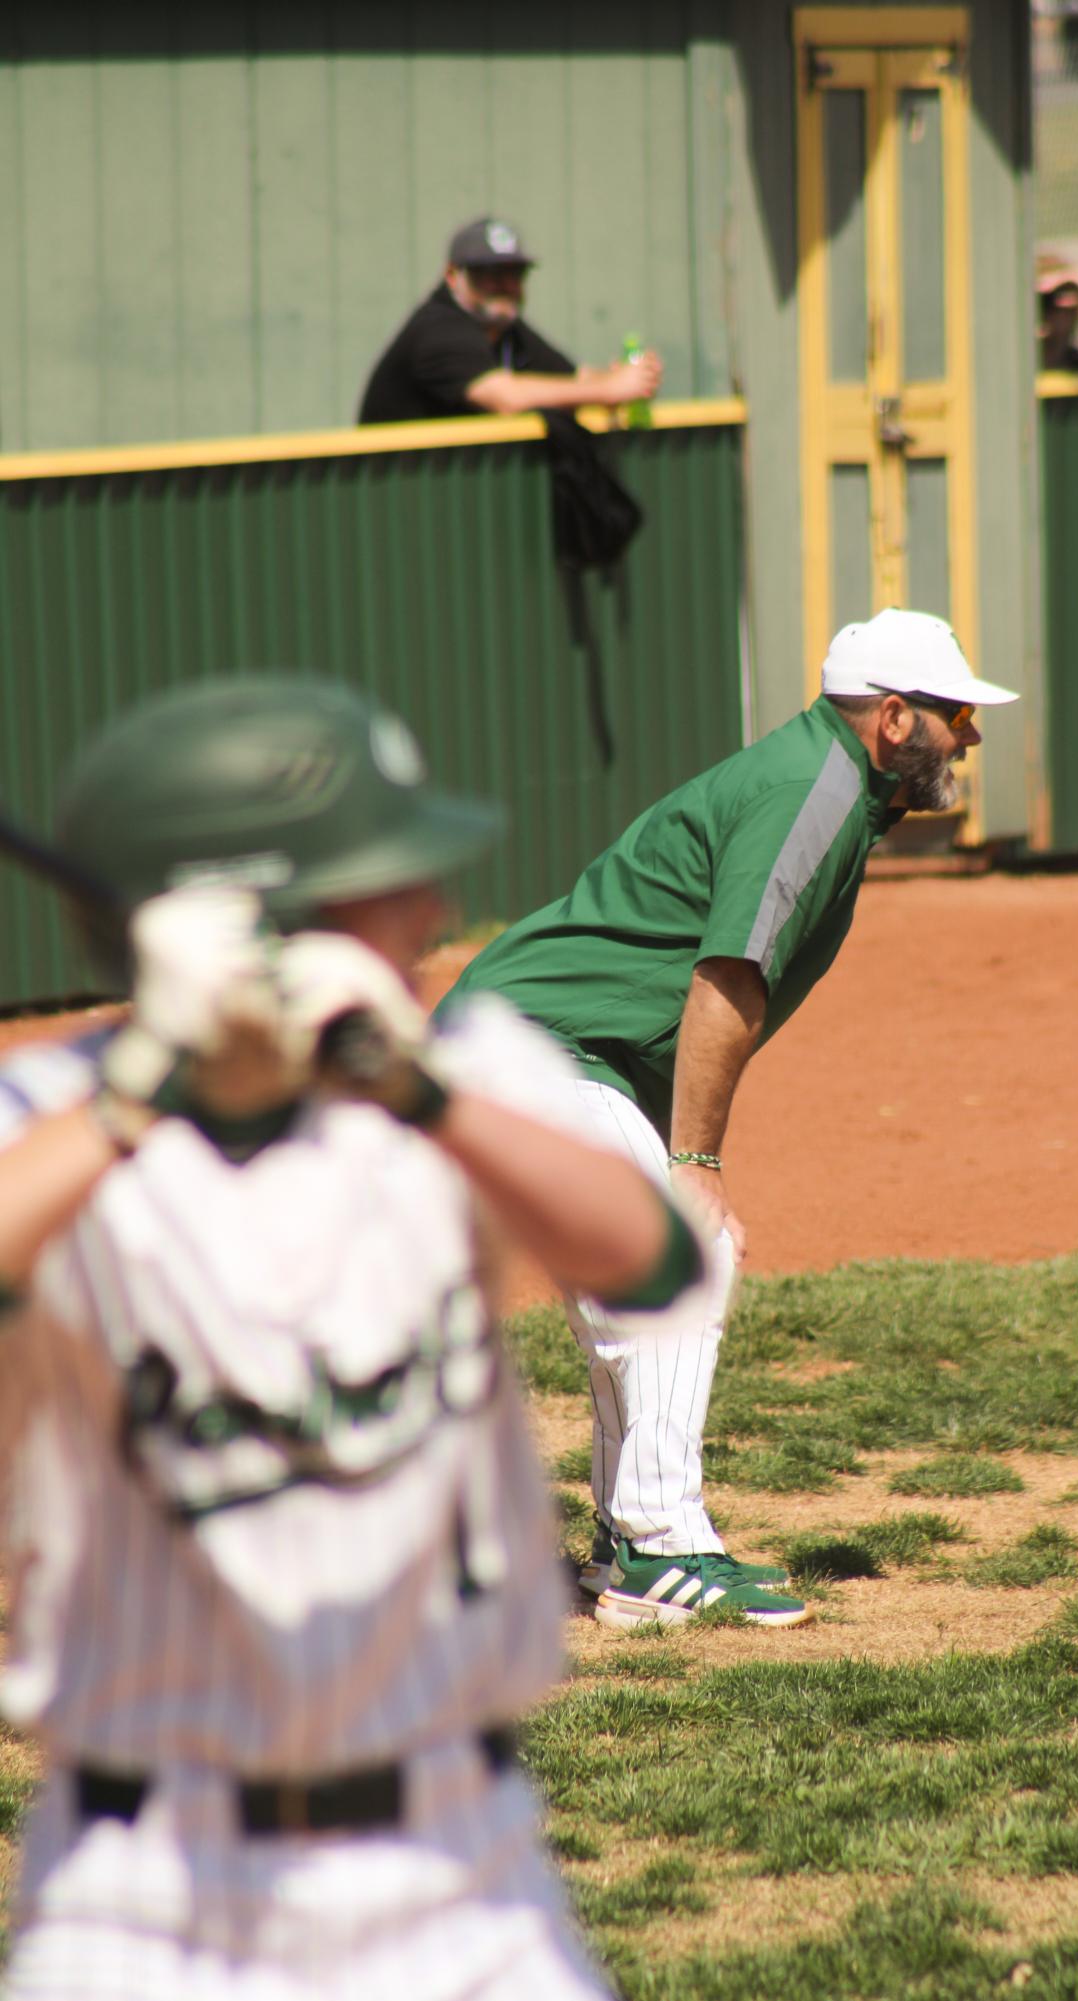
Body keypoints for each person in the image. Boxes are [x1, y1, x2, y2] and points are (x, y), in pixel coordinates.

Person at [0, 674, 714, 2001]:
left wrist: (415, 1085)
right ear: (255, 920)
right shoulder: (47, 1121)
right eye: (393, 880)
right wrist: (144, 1082)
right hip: (143, 1902)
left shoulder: (457, 1079)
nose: (434, 911)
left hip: (460, 1866)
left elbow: (653, 1256)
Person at [442, 609, 1020, 1632]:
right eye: (955, 715)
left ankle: (634, 1540)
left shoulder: (829, 785)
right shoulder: (810, 790)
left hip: (551, 1049)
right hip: (528, 1047)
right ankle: (660, 1551)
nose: (968, 737)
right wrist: (694, 1158)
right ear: (893, 718)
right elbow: (723, 980)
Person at [358, 216, 662, 425]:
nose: (505, 285)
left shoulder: (502, 326)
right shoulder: (438, 329)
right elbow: (506, 397)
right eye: (488, 274)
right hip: (390, 494)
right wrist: (610, 390)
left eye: (514, 273)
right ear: (452, 276)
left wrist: (628, 378)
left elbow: (570, 379)